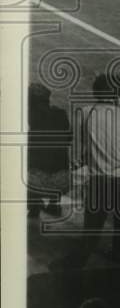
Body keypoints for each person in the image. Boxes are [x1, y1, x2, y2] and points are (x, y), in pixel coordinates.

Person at [56, 73, 120, 270]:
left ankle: (81, 259)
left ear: (95, 92)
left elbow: (75, 142)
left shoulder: (84, 112)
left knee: (92, 223)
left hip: (99, 179)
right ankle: (119, 252)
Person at [27, 82, 72, 218]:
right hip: (62, 179)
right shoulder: (61, 113)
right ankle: (54, 204)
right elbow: (69, 137)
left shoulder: (30, 116)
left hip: (36, 180)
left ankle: (34, 205)